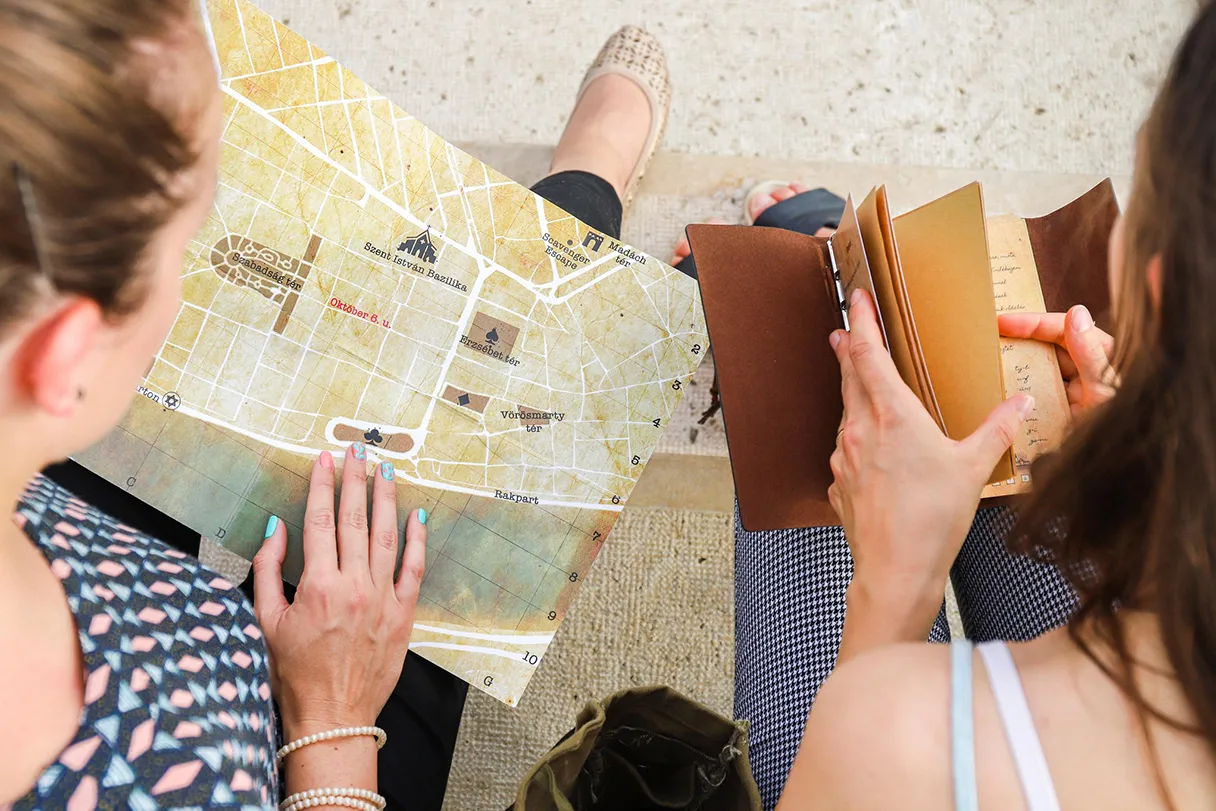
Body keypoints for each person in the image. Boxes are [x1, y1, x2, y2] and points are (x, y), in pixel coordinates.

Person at [0, 0, 672, 805]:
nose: (193, 280)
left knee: (170, 445)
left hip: (74, 540)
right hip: (303, 753)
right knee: (419, 538)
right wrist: (335, 715)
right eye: (184, 249)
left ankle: (584, 193)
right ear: (64, 350)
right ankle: (588, 189)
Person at [673, 5, 1216, 810]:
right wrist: (1152, 473)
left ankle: (819, 279)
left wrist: (896, 581)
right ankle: (833, 285)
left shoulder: (887, 745)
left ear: (1161, 294)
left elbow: (872, 752)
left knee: (836, 420)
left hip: (887, 766)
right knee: (1005, 429)